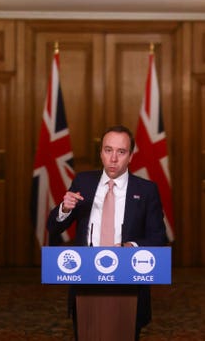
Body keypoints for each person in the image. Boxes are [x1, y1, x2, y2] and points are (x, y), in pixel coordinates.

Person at [46, 125, 167, 340]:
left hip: (128, 280)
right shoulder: (83, 182)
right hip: (85, 279)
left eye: (121, 152)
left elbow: (158, 238)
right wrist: (65, 209)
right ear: (101, 152)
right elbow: (53, 227)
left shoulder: (146, 190)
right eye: (108, 150)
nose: (113, 158)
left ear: (130, 156)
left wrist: (131, 247)